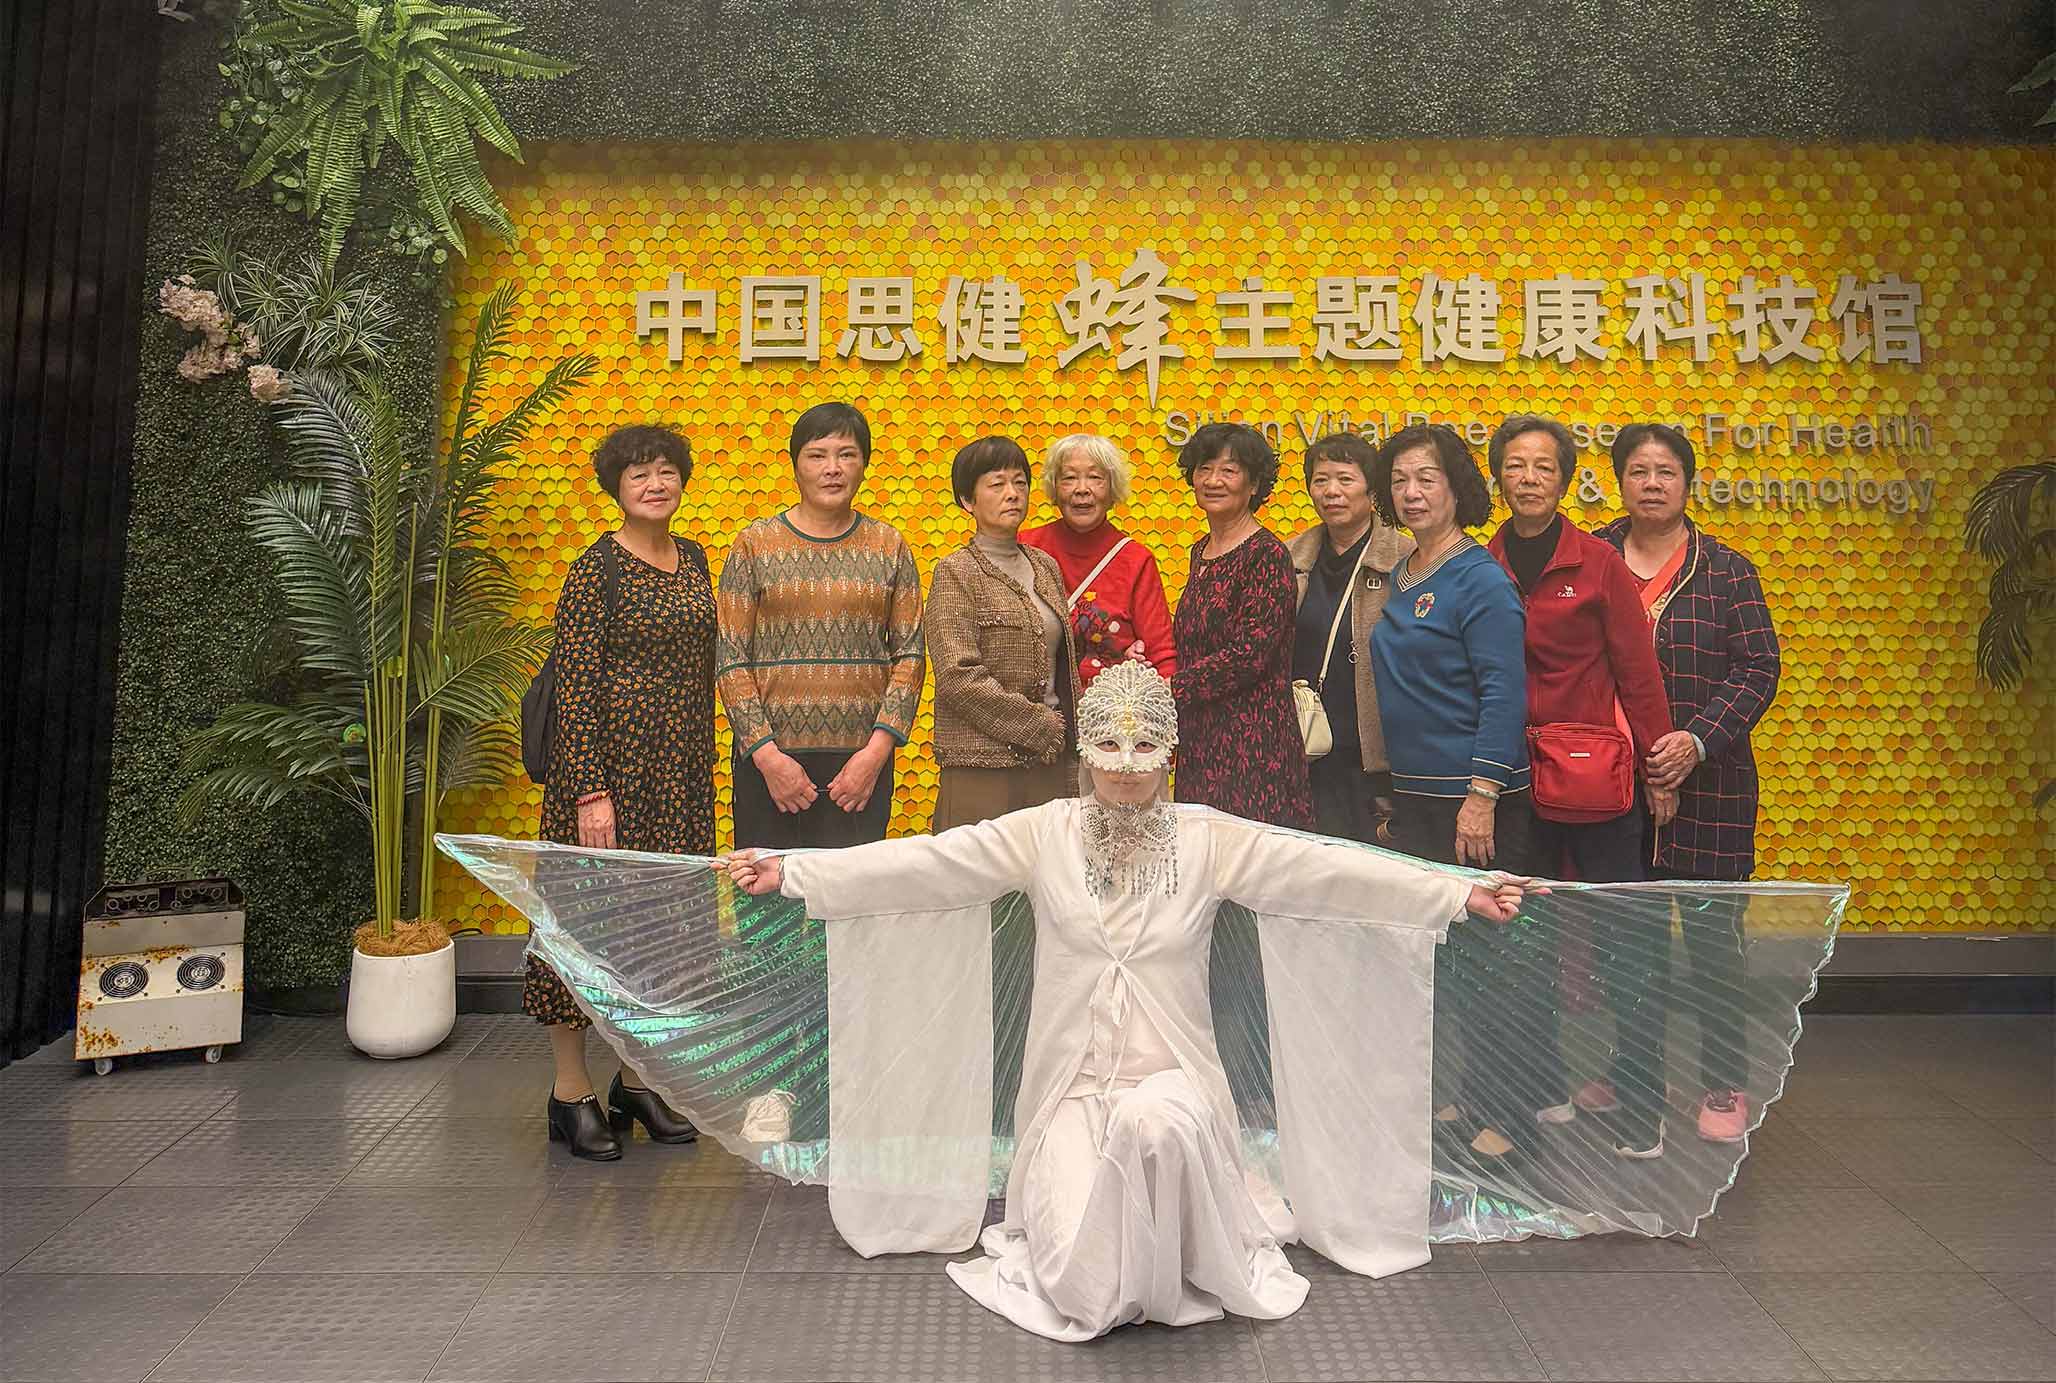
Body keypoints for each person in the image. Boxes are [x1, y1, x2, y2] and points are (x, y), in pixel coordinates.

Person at [720, 660, 1528, 1341]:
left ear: (1171, 751)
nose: (1128, 763)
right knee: (1084, 1283)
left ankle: (1175, 1238)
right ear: (1084, 748)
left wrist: (1453, 893)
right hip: (1070, 1102)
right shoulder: (1043, 833)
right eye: (1109, 743)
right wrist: (794, 870)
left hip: (1178, 1095)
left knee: (1157, 1121)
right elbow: (928, 864)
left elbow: (1327, 871)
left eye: (1146, 745)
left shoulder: (1209, 839)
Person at [1485, 414, 1678, 1158]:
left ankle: (1643, 1103)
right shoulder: (1483, 560)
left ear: (1565, 480)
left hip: (1596, 781)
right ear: (1498, 477)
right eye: (1516, 465)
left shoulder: (1597, 563)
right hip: (1513, 781)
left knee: (1625, 944)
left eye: (1544, 466)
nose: (1529, 478)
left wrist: (1659, 769)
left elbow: (1639, 673)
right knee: (1524, 940)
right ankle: (1544, 1086)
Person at [1600, 423, 1783, 1146]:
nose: (1651, 483)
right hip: (1615, 786)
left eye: (1666, 471)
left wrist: (1696, 741)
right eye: (1638, 470)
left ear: (1687, 482)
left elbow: (1759, 669)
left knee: (1711, 944)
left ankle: (1723, 1079)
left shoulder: (1728, 570)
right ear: (1619, 481)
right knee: (1627, 943)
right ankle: (1629, 1069)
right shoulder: (1592, 558)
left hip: (1713, 788)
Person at [532, 424, 711, 1159]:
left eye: (666, 471)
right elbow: (574, 688)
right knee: (583, 930)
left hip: (678, 779)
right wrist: (589, 791)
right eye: (640, 474)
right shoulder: (594, 569)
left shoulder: (696, 558)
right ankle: (570, 1091)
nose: (655, 484)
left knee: (664, 931)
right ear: (617, 487)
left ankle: (637, 1081)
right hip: (607, 779)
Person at [1365, 424, 1535, 1161]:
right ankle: (1468, 1091)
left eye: (1427, 478)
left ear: (1457, 487)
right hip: (1419, 798)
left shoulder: (1481, 579)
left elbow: (1504, 693)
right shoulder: (1404, 570)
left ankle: (1514, 1114)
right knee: (1446, 958)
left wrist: (1482, 793)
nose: (1412, 492)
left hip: (1476, 801)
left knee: (1498, 963)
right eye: (1400, 480)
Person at [716, 402, 925, 849]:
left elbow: (910, 655)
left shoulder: (890, 545)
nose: (833, 468)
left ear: (864, 465)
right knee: (767, 889)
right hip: (769, 766)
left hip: (860, 769)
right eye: (817, 455)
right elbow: (730, 658)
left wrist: (875, 756)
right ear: (795, 465)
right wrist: (768, 758)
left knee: (852, 889)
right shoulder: (754, 544)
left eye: (847, 455)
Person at [926, 436, 1080, 830]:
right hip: (982, 768)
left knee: (1048, 867)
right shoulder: (956, 572)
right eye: (997, 484)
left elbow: (1063, 667)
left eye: (1020, 482)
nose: (1012, 493)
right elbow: (957, 677)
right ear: (968, 501)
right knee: (977, 871)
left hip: (1049, 763)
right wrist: (1038, 725)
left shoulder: (1045, 566)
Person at [1170, 422, 1312, 828]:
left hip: (1253, 746)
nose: (1213, 480)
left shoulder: (1267, 555)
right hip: (1200, 740)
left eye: (1229, 471)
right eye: (1204, 468)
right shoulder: (1200, 551)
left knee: (1250, 856)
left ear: (1253, 485)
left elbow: (1248, 655)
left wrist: (1168, 690)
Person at [1288, 431, 1414, 843]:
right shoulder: (1289, 557)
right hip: (1303, 747)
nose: (1332, 492)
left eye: (1345, 479)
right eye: (1321, 480)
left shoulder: (1406, 558)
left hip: (1375, 758)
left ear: (1371, 490)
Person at [1021, 433, 1177, 686]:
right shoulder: (1025, 548)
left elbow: (1161, 655)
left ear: (1113, 489)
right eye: (1069, 478)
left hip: (1108, 707)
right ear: (1054, 488)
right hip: (1033, 705)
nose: (1082, 489)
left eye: (1095, 477)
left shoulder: (1135, 560)